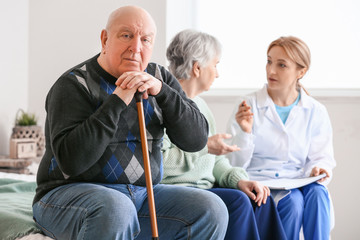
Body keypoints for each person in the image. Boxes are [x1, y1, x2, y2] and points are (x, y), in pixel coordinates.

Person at [32, 6, 229, 240]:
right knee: (116, 208)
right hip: (67, 197)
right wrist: (117, 100)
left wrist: (162, 92)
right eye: (126, 35)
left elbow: (196, 140)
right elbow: (72, 162)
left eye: (145, 40)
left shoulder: (160, 77)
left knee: (211, 209)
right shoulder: (73, 84)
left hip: (141, 195)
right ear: (105, 39)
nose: (136, 48)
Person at [162, 29, 287, 240]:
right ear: (197, 68)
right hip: (177, 191)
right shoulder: (163, 104)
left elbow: (214, 161)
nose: (217, 73)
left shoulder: (201, 106)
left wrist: (239, 181)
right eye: (215, 65)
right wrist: (204, 148)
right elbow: (162, 164)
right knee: (238, 202)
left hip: (206, 188)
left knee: (260, 199)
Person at [227, 36, 336, 240]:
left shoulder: (316, 111)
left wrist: (320, 168)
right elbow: (233, 163)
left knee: (319, 194)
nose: (271, 71)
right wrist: (245, 132)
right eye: (269, 61)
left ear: (301, 72)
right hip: (261, 182)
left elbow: (322, 158)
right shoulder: (247, 105)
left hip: (298, 180)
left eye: (281, 65)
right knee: (293, 203)